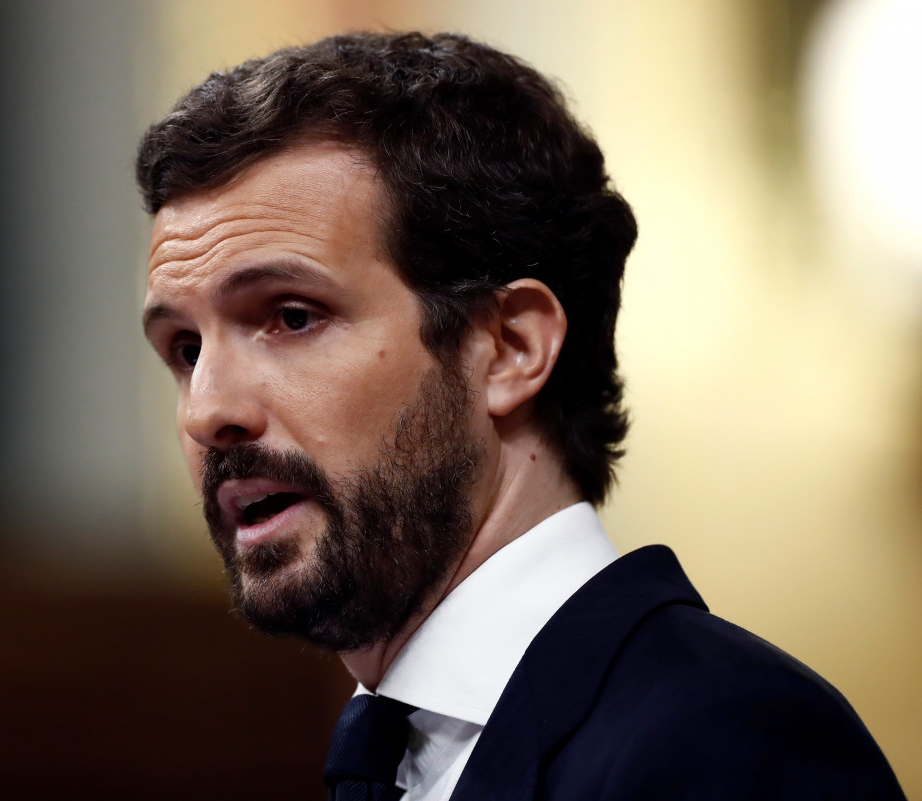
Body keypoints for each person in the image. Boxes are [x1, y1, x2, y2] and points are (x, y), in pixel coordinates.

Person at [136, 31, 905, 801]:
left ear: (508, 348)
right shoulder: (390, 759)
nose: (207, 410)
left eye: (292, 316)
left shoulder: (728, 742)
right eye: (184, 347)